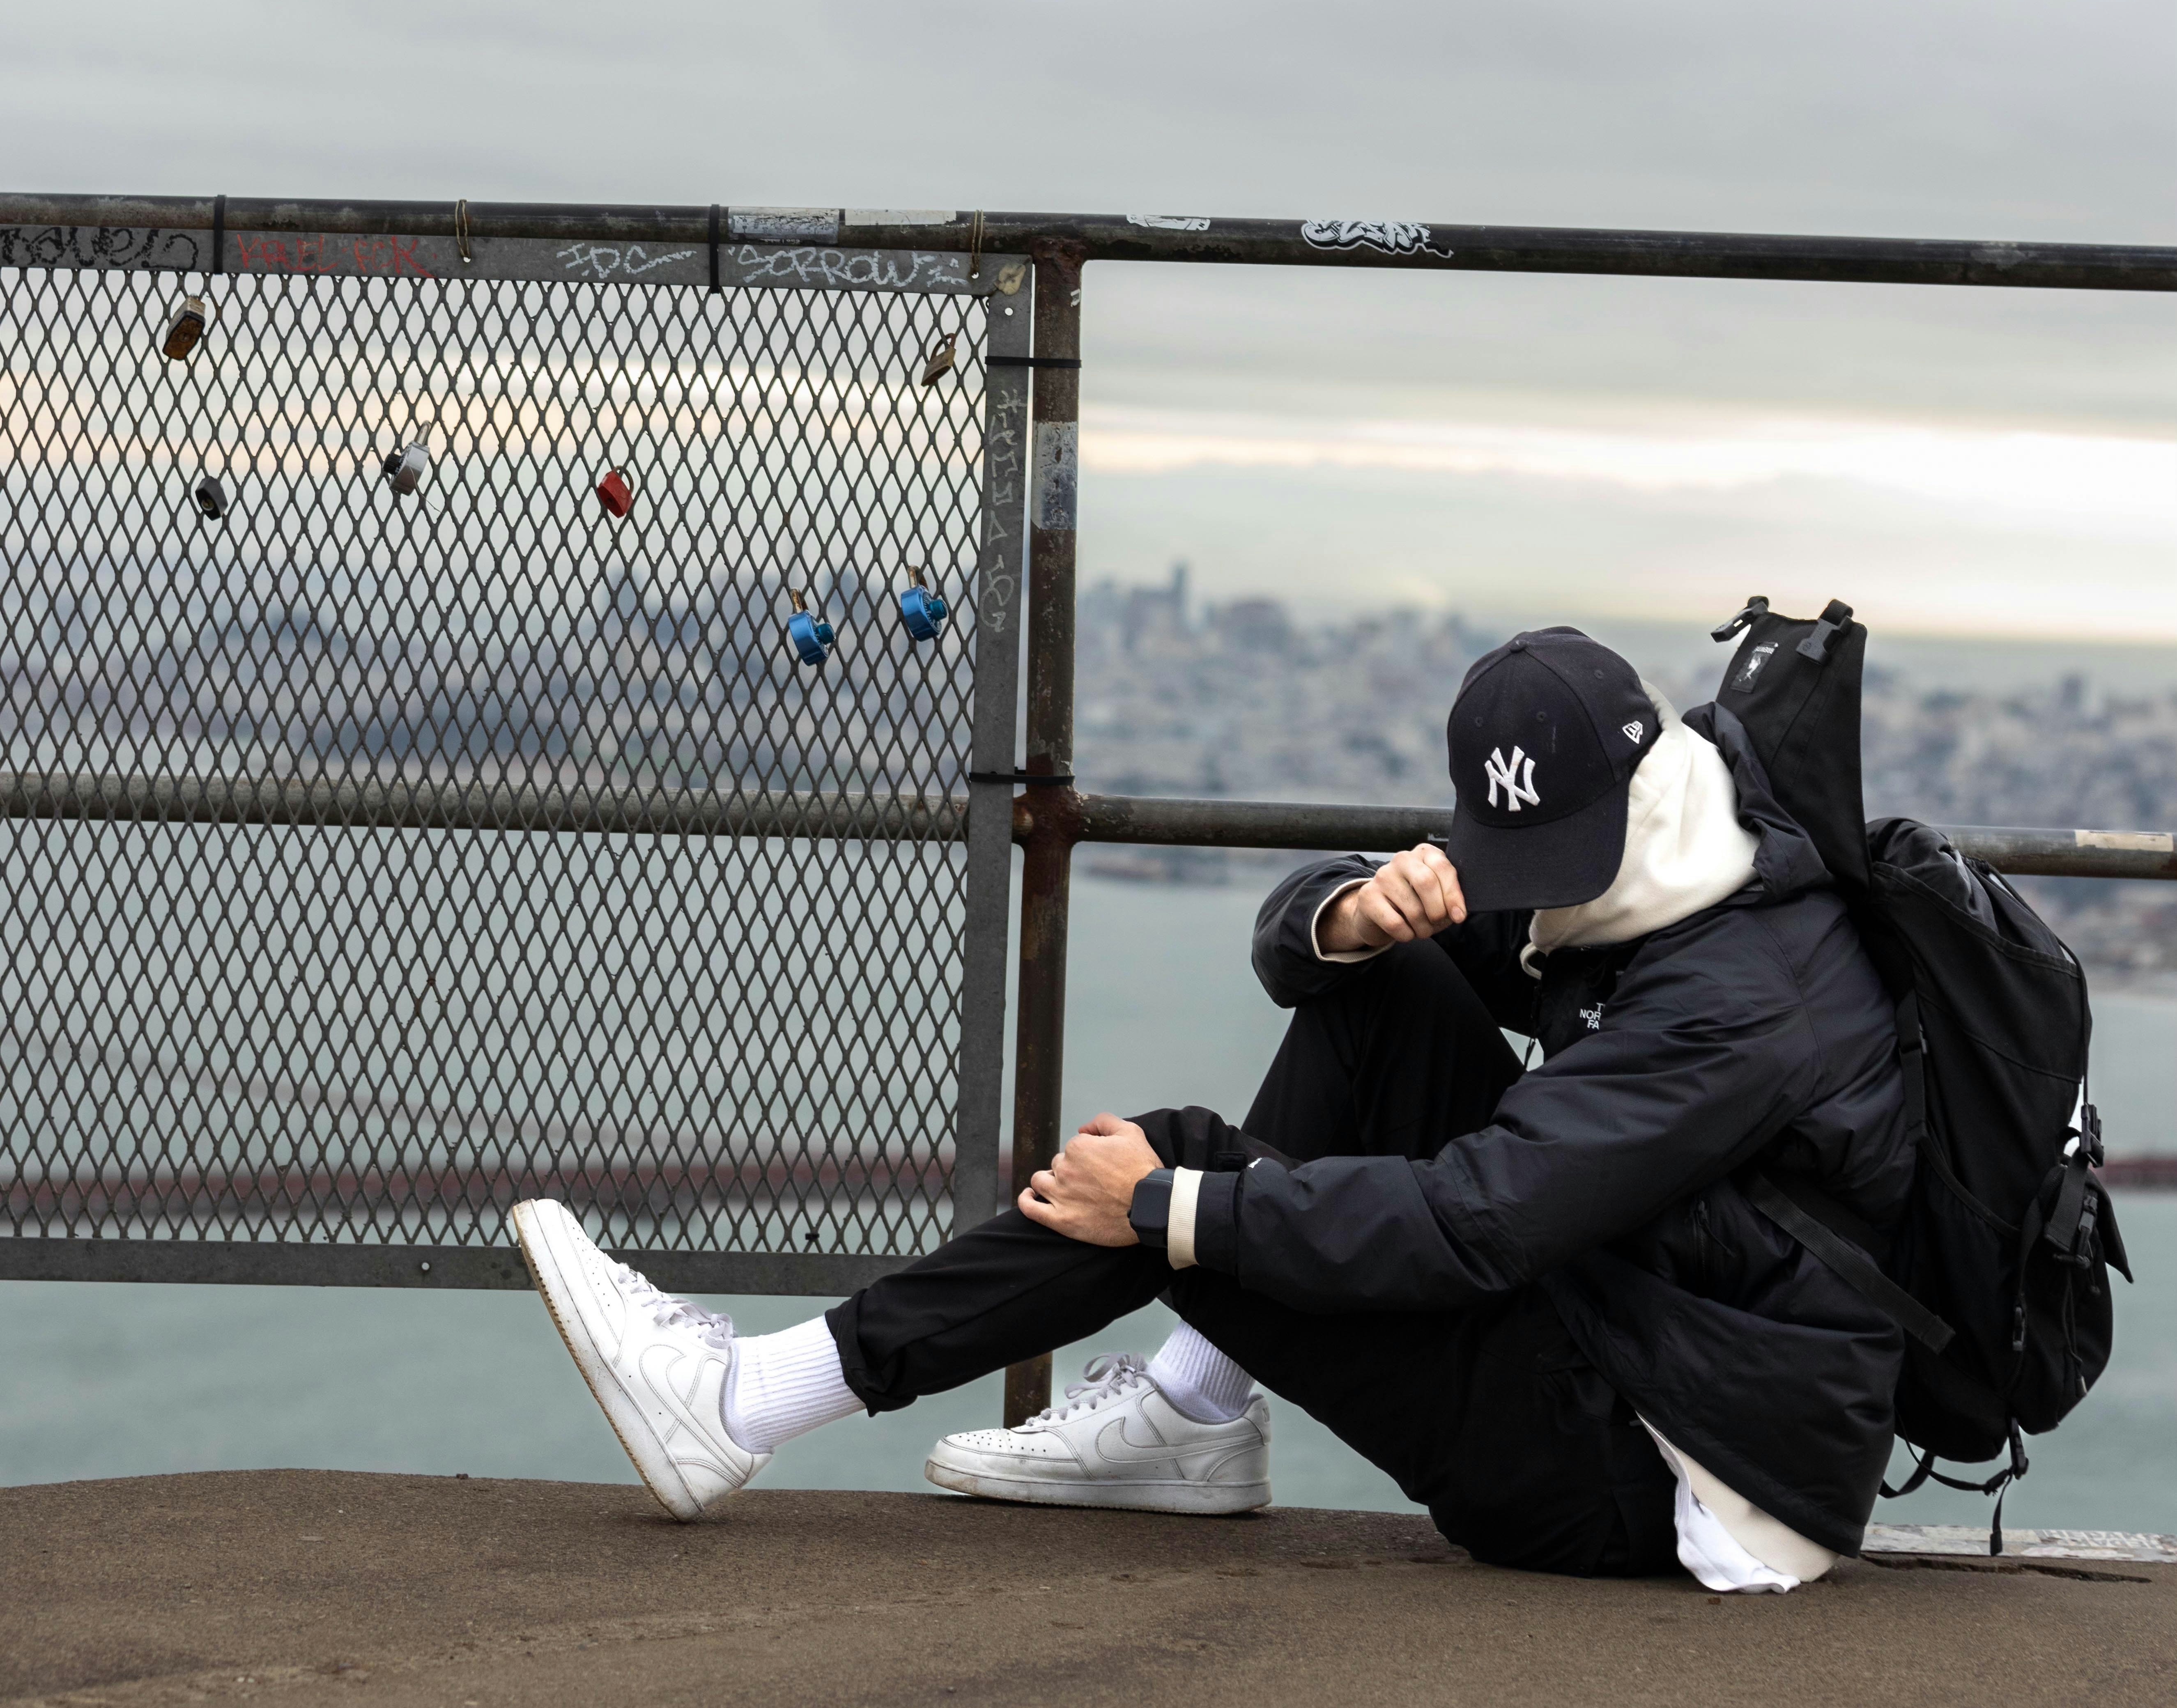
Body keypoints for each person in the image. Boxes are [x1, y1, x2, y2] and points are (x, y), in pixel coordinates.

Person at [510, 627, 1913, 1588]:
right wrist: (1349, 914)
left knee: (1181, 1170)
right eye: (1515, 850)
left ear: (1638, 782)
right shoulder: (1669, 859)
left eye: (1557, 852)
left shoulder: (1738, 993)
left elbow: (1478, 1222)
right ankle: (1195, 1409)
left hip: (1661, 1478)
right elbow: (1308, 960)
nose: (1537, 879)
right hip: (1652, 1333)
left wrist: (1168, 1209)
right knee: (1385, 983)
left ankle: (747, 1402)